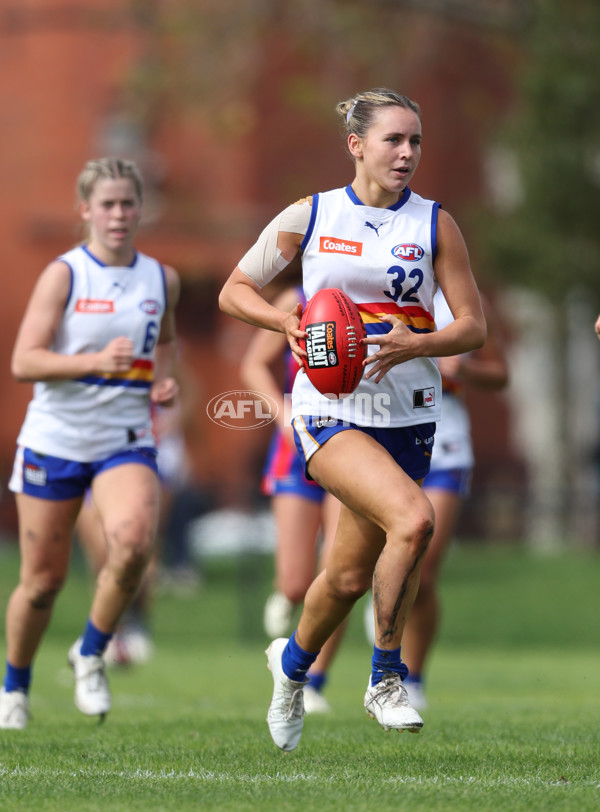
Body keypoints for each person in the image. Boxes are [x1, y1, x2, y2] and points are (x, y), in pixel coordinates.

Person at [219, 88, 487, 751]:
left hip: (411, 416)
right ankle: (386, 677)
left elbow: (475, 326)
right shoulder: (310, 216)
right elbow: (233, 289)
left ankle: (289, 667)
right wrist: (285, 319)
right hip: (328, 409)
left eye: (416, 141)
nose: (406, 153)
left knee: (341, 578)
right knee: (414, 518)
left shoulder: (434, 224)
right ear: (356, 145)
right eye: (394, 139)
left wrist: (416, 343)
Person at [0, 158, 180, 730]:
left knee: (131, 545)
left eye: (128, 203)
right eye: (107, 204)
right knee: (42, 583)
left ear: (139, 208)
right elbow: (24, 361)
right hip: (55, 439)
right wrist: (94, 362)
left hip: (124, 437)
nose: (119, 214)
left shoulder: (161, 278)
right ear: (85, 211)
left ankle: (93, 651)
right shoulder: (65, 274)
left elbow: (167, 343)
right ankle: (14, 686)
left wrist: (164, 379)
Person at [365, 291, 509, 710]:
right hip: (381, 429)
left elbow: (500, 373)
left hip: (445, 440)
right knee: (353, 569)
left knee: (423, 571)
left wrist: (463, 367)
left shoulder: (463, 302)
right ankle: (312, 678)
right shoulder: (374, 282)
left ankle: (415, 677)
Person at [240, 284, 344, 714]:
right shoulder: (294, 299)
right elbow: (253, 365)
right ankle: (285, 593)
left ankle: (313, 681)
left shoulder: (373, 294)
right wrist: (283, 418)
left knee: (339, 570)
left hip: (351, 444)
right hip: (296, 448)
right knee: (297, 582)